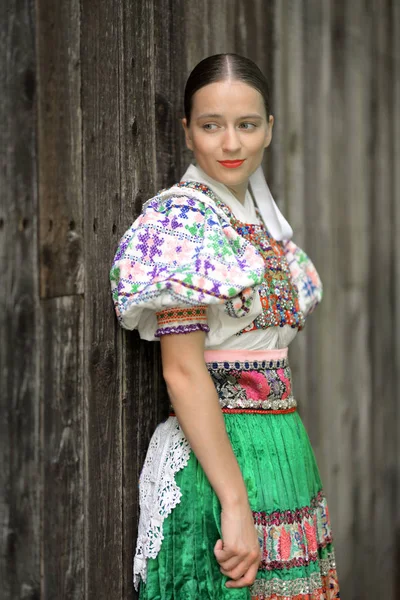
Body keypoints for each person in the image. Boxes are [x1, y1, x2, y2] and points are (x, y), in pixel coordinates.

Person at [110, 53, 340, 600]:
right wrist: (234, 504)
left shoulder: (260, 223)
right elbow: (184, 372)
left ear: (269, 130)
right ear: (187, 132)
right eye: (211, 126)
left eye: (247, 125)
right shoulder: (184, 223)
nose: (231, 144)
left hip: (283, 447)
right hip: (222, 459)